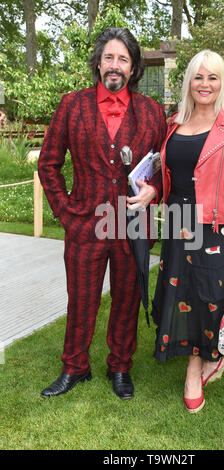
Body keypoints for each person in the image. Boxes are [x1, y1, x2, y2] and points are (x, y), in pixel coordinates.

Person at [38, 27, 167, 399]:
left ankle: (120, 366)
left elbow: (163, 166)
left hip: (132, 225)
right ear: (98, 62)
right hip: (85, 224)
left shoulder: (151, 111)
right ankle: (75, 366)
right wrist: (66, 212)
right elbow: (48, 164)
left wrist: (154, 191)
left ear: (133, 67)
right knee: (81, 298)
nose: (115, 65)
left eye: (123, 59)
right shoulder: (71, 105)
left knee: (127, 298)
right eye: (108, 57)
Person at [151, 49, 224, 413]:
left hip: (220, 228)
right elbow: (167, 172)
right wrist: (151, 189)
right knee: (181, 294)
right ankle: (208, 360)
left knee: (208, 299)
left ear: (222, 82)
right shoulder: (174, 123)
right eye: (198, 77)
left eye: (212, 77)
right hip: (178, 223)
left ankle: (194, 369)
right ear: (189, 82)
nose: (205, 84)